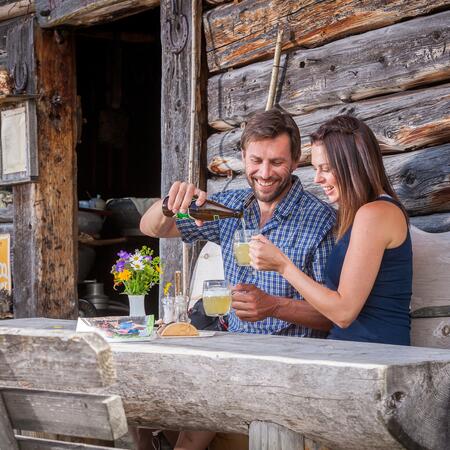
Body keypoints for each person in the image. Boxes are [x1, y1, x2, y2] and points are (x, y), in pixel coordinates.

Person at [139, 107, 336, 450]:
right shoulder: (229, 206)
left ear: (295, 161)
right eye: (256, 160)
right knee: (143, 406)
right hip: (230, 356)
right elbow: (152, 227)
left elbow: (332, 314)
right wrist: (171, 204)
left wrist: (273, 306)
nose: (264, 173)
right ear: (243, 157)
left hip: (290, 364)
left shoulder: (319, 221)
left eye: (276, 162)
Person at [249, 115, 412, 346]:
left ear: (352, 165)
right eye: (316, 168)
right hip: (347, 349)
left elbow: (343, 313)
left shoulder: (376, 213)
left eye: (325, 168)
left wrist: (282, 265)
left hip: (375, 354)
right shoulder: (358, 215)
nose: (317, 178)